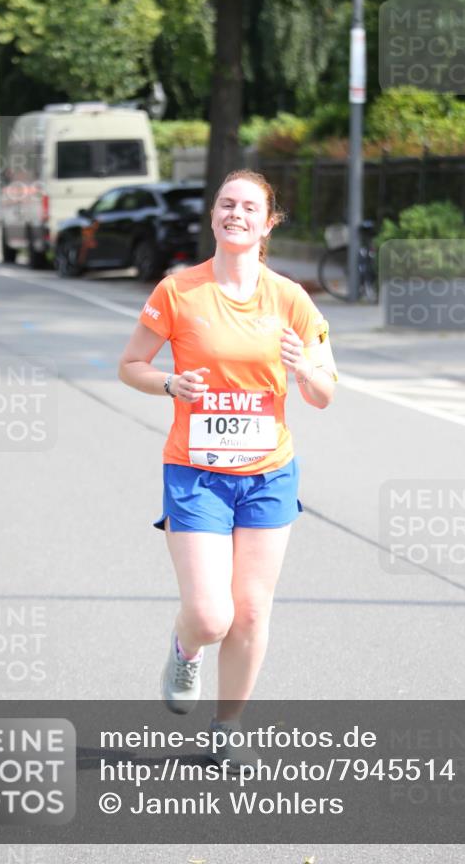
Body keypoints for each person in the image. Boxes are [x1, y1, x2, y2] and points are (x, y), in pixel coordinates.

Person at [118, 169, 337, 765]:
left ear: (268, 223)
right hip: (196, 471)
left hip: (268, 473)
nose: (235, 214)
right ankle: (186, 649)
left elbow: (323, 393)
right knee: (212, 615)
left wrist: (304, 370)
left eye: (248, 208)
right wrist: (169, 382)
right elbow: (131, 364)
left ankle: (228, 728)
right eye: (226, 205)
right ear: (213, 217)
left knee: (251, 610)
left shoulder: (291, 298)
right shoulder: (178, 291)